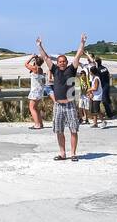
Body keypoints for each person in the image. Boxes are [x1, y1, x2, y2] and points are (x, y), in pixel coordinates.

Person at [36, 33, 88, 161]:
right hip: (58, 105)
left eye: (64, 61)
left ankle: (73, 154)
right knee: (59, 130)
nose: (62, 63)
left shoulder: (72, 69)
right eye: (60, 61)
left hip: (70, 105)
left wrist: (82, 42)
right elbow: (46, 57)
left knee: (73, 130)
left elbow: (79, 54)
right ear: (57, 63)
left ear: (67, 62)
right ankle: (62, 153)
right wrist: (40, 46)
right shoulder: (54, 70)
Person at [24, 55, 46, 129]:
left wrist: (32, 57)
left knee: (32, 107)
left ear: (35, 62)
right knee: (36, 108)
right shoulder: (41, 69)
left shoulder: (34, 68)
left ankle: (37, 124)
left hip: (35, 90)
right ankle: (40, 123)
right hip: (40, 90)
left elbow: (26, 64)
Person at [93, 55, 114, 121]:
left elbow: (97, 79)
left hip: (103, 86)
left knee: (104, 101)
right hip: (107, 85)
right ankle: (110, 113)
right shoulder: (105, 68)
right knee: (107, 100)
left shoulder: (97, 70)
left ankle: (109, 114)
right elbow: (109, 75)